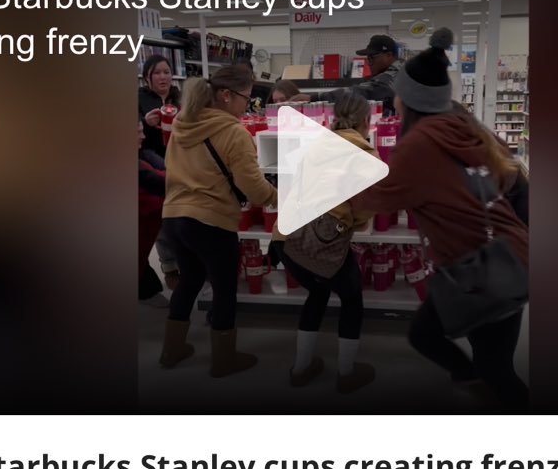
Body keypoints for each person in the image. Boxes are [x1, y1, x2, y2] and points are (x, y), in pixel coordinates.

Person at [351, 46, 529, 406]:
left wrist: (332, 185)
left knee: (434, 341)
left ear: (410, 100)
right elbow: (513, 180)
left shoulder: (419, 144)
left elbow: (377, 200)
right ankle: (477, 387)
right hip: (508, 256)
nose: (395, 102)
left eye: (398, 94)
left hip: (476, 269)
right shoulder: (467, 127)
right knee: (491, 360)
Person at [158, 64, 276, 374]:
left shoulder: (182, 125)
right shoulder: (233, 131)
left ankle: (172, 350)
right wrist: (278, 197)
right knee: (225, 287)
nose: (246, 106)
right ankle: (224, 359)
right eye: (245, 98)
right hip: (209, 220)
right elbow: (253, 186)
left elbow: (171, 168)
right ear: (225, 95)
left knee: (190, 281)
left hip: (174, 218)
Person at [280, 90, 378, 395]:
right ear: (366, 119)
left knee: (318, 293)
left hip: (288, 237)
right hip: (324, 241)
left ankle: (300, 368)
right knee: (352, 300)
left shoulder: (316, 143)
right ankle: (346, 373)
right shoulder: (364, 153)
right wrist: (357, 221)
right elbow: (364, 210)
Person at [137, 120, 167, 300]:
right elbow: (164, 182)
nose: (143, 136)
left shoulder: (144, 155)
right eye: (138, 132)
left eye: (142, 131)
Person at [355, 34, 400, 110]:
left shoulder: (396, 75)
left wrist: (328, 97)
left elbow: (363, 92)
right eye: (368, 58)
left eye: (371, 58)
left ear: (389, 55)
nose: (368, 63)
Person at [139, 54, 177, 141]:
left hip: (178, 149)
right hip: (149, 150)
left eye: (167, 72)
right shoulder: (138, 98)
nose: (163, 77)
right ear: (147, 77)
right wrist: (145, 122)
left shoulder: (181, 98)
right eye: (157, 73)